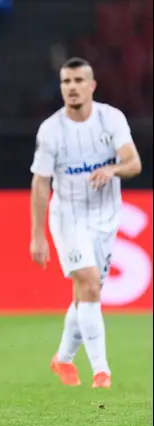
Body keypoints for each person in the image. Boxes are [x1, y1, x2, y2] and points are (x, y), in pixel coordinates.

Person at [29, 57, 142, 389]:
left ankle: (62, 359)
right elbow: (40, 183)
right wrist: (37, 235)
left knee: (86, 293)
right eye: (66, 81)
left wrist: (112, 169)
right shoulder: (51, 130)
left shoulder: (111, 119)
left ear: (92, 86)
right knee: (90, 284)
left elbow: (133, 162)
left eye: (79, 80)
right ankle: (101, 371)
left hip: (106, 217)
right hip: (68, 216)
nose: (72, 87)